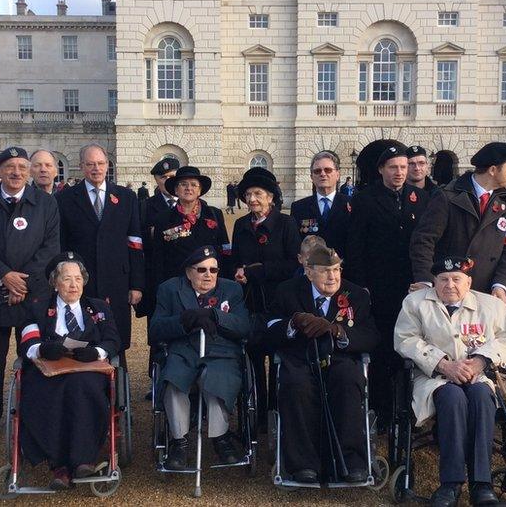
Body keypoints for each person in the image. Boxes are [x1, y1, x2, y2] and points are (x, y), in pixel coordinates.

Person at [394, 256, 506, 507]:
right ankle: (451, 484)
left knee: (480, 396)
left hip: (480, 376)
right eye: (443, 279)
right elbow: (405, 339)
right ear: (434, 281)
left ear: (469, 282)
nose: (450, 285)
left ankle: (482, 484)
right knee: (452, 397)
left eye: (457, 279)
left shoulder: (490, 306)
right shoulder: (415, 303)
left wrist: (480, 360)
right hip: (435, 377)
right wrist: (443, 364)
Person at [0, 146, 60, 445]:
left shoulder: (45, 203)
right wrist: (4, 276)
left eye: (22, 166)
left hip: (31, 297)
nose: (17, 172)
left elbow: (50, 248)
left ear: (29, 170)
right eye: (10, 167)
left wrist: (23, 284)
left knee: (33, 358)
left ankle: (31, 416)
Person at [266, 246, 378, 484]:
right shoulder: (287, 292)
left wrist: (339, 332)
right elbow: (266, 330)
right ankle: (303, 464)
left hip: (340, 358)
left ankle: (352, 461)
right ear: (308, 272)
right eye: (325, 271)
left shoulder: (356, 294)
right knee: (295, 384)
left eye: (337, 269)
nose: (333, 277)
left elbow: (370, 336)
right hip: (300, 357)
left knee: (349, 380)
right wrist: (293, 323)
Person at [16, 252, 120, 487]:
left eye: (78, 279)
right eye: (66, 279)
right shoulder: (37, 308)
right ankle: (59, 465)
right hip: (49, 371)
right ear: (54, 282)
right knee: (51, 392)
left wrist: (97, 352)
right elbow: (26, 343)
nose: (74, 285)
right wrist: (44, 349)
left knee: (83, 387)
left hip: (88, 369)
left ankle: (84, 460)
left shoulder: (99, 307)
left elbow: (113, 340)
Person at [346, 144, 429, 426]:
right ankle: (381, 408)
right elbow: (354, 246)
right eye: (393, 167)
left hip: (412, 287)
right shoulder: (365, 199)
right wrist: (361, 285)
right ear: (381, 169)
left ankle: (409, 405)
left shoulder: (421, 198)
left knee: (414, 346)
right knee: (383, 348)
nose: (400, 172)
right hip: (379, 288)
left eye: (404, 167)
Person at [149, 246, 251, 469]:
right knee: (173, 379)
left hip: (220, 352)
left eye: (213, 270)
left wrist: (216, 315)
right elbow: (155, 329)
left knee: (216, 377)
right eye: (202, 270)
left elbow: (244, 326)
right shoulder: (170, 289)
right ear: (188, 272)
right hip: (183, 351)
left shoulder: (231, 290)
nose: (208, 275)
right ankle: (179, 442)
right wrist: (185, 320)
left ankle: (220, 437)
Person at [56, 144, 144, 367]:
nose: (96, 168)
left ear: (108, 165)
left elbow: (134, 243)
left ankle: (119, 392)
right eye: (90, 164)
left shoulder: (126, 197)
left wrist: (136, 284)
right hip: (82, 280)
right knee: (81, 335)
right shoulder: (65, 199)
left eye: (101, 163)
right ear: (82, 166)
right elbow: (62, 245)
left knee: (117, 337)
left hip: (118, 281)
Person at [409, 142, 506, 303]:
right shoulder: (447, 197)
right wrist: (427, 281)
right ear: (492, 170)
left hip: (487, 293)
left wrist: (501, 284)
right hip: (448, 291)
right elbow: (423, 240)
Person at [231, 166, 301, 426]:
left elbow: (294, 264)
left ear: (271, 197)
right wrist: (238, 271)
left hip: (279, 301)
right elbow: (235, 260)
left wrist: (259, 271)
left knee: (279, 358)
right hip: (250, 302)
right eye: (248, 194)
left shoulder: (286, 224)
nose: (252, 199)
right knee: (253, 358)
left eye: (258, 193)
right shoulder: (240, 225)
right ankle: (257, 415)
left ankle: (276, 413)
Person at [150, 166, 231, 292]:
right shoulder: (163, 219)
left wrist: (225, 281)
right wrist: (161, 288)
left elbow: (225, 248)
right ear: (176, 190)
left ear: (200, 191)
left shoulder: (214, 214)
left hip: (210, 283)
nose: (189, 188)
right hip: (177, 284)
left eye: (194, 185)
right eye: (183, 184)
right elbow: (158, 257)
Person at [135, 157, 179, 321]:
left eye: (172, 177)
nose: (168, 181)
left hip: (185, 277)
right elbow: (138, 241)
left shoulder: (192, 204)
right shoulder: (144, 207)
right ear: (156, 180)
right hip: (157, 277)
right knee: (157, 329)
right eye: (163, 177)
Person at [290, 151, 352, 256]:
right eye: (317, 171)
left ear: (337, 175)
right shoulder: (299, 207)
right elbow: (296, 244)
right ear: (312, 177)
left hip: (344, 268)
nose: (323, 174)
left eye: (328, 170)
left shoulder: (352, 204)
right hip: (312, 269)